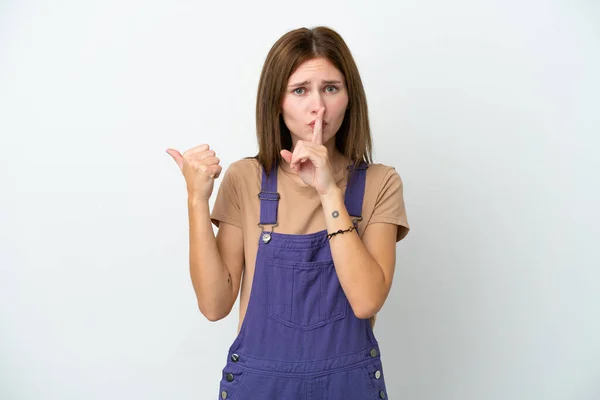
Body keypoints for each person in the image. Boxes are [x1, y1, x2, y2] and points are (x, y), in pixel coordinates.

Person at [167, 26, 410, 399]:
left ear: (349, 97)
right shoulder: (245, 179)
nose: (319, 107)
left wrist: (329, 191)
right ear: (277, 103)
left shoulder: (380, 183)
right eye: (300, 91)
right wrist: (196, 200)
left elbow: (366, 301)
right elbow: (214, 305)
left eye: (331, 88)